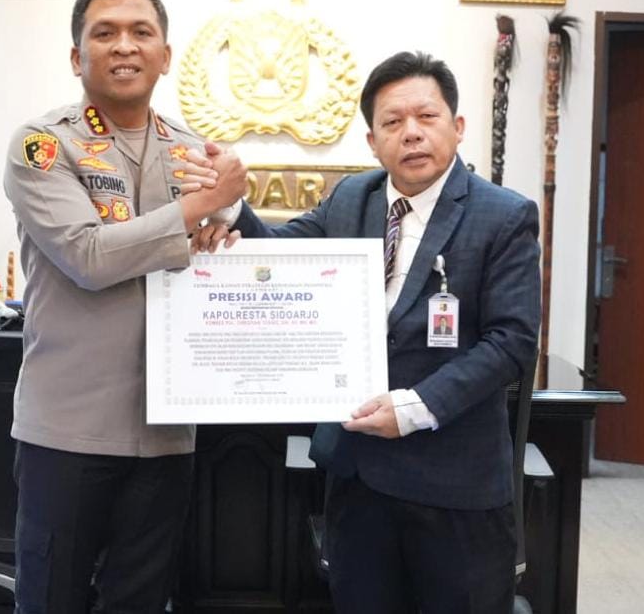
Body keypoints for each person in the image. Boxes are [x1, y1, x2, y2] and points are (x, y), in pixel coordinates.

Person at [197, 51, 542, 612]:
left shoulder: (503, 215)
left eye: (426, 117)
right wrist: (230, 208)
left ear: (457, 126)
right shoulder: (352, 198)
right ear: (372, 141)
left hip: (454, 483)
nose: (411, 133)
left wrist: (413, 407)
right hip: (360, 478)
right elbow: (282, 255)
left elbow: (512, 342)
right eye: (392, 122)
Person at [2, 0, 247, 613]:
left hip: (167, 428)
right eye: (104, 33)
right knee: (51, 599)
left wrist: (226, 226)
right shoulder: (43, 145)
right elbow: (88, 256)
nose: (124, 46)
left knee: (139, 600)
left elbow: (221, 248)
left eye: (142, 32)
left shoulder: (193, 152)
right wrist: (201, 207)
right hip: (69, 429)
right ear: (76, 56)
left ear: (165, 55)